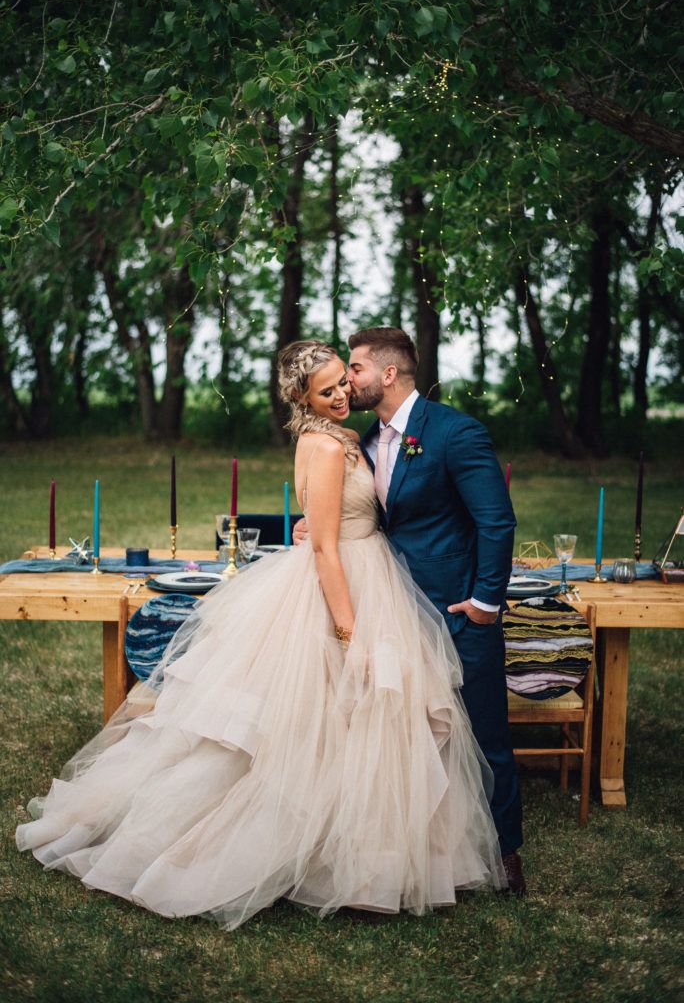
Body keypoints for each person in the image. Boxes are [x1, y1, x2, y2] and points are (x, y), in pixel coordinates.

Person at [16, 340, 506, 930]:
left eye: (345, 381)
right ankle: (303, 851)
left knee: (355, 726)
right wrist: (350, 631)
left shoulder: (354, 437)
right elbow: (325, 545)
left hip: (377, 575)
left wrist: (322, 518)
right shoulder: (325, 443)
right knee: (330, 720)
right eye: (328, 388)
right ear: (303, 399)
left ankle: (360, 848)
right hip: (344, 586)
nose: (343, 391)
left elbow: (357, 513)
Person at [294, 328, 524, 895]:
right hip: (394, 607)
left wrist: (485, 603)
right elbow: (366, 514)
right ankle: (434, 849)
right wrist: (313, 527)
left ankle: (506, 855)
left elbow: (497, 522)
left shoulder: (455, 432)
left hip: (457, 608)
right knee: (414, 735)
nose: (347, 379)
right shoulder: (366, 440)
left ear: (388, 375)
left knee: (484, 730)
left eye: (355, 368)